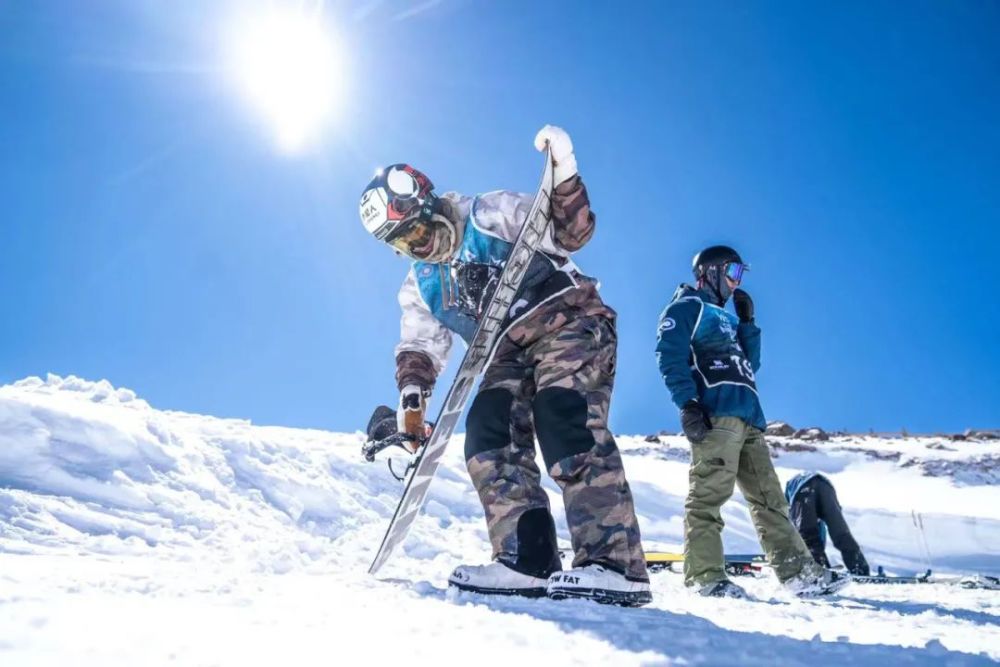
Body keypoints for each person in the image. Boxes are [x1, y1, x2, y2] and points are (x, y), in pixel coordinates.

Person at [357, 125, 650, 606]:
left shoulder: (487, 213)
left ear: (431, 206)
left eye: (421, 230)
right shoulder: (421, 284)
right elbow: (420, 345)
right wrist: (412, 397)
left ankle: (614, 564)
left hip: (567, 319)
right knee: (487, 433)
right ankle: (527, 558)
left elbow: (570, 232)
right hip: (505, 350)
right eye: (406, 243)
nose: (422, 246)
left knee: (563, 415)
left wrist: (565, 177)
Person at [654, 245, 850, 598]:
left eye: (740, 274)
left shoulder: (727, 318)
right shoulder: (687, 307)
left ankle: (798, 574)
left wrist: (748, 325)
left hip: (749, 417)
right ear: (710, 272)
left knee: (771, 501)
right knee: (708, 496)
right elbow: (669, 355)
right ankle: (705, 577)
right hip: (716, 414)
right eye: (732, 272)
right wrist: (688, 403)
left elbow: (750, 367)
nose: (736, 282)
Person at [785, 472, 871, 575]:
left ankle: (820, 569)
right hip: (825, 485)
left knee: (807, 535)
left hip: (802, 488)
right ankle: (859, 568)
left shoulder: (787, 503)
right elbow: (822, 530)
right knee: (841, 533)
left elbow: (795, 532)